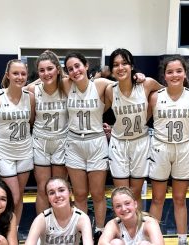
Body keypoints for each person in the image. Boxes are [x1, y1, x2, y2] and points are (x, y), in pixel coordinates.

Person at [147, 55, 189, 245]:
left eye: (179, 71)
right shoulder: (155, 96)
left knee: (179, 199)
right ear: (164, 76)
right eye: (170, 72)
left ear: (185, 73)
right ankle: (153, 239)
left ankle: (182, 240)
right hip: (160, 148)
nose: (174, 75)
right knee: (157, 199)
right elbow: (142, 120)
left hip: (184, 148)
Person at [63, 52, 112, 238]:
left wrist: (138, 76)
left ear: (86, 65)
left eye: (77, 66)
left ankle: (99, 231)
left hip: (96, 142)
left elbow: (124, 83)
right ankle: (84, 232)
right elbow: (44, 80)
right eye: (70, 69)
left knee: (98, 193)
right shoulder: (67, 85)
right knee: (80, 194)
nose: (75, 71)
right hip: (74, 142)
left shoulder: (99, 85)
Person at [105, 48, 162, 203]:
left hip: (141, 142)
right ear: (111, 70)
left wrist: (149, 113)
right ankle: (121, 227)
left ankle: (135, 227)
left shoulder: (146, 84)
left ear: (131, 66)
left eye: (124, 63)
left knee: (136, 193)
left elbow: (165, 94)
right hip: (119, 144)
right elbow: (98, 111)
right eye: (116, 65)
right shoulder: (110, 90)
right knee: (121, 194)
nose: (120, 67)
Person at [0, 59, 35, 227]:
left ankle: (13, 230)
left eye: (23, 73)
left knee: (20, 196)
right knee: (13, 197)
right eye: (15, 73)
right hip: (4, 153)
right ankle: (2, 228)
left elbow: (30, 122)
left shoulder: (30, 97)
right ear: (7, 75)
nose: (19, 77)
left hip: (25, 151)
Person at [25, 50, 69, 214]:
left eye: (50, 69)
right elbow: (31, 118)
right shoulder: (32, 89)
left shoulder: (67, 86)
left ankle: (63, 226)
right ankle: (43, 229)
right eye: (42, 70)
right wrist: (46, 75)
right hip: (40, 141)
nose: (46, 73)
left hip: (62, 141)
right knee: (43, 189)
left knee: (60, 189)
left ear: (58, 69)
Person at [25, 177, 93, 245]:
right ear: (48, 198)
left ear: (70, 192)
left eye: (61, 190)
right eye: (52, 193)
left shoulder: (81, 218)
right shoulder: (42, 219)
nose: (57, 195)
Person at [98, 187, 164, 245]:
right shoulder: (113, 223)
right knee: (116, 243)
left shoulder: (149, 222)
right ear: (114, 209)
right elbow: (101, 243)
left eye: (127, 203)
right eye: (118, 206)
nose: (123, 209)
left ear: (135, 204)